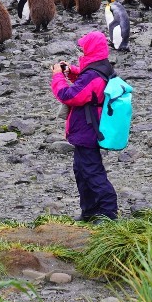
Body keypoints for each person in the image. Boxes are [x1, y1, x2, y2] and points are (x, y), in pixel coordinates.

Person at [49, 30, 119, 221]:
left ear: (91, 49)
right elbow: (88, 82)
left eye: (84, 48)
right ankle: (89, 211)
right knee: (81, 171)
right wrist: (71, 71)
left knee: (92, 172)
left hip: (88, 130)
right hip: (89, 129)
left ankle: (108, 213)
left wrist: (58, 77)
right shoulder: (102, 67)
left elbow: (70, 96)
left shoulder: (93, 75)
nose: (82, 51)